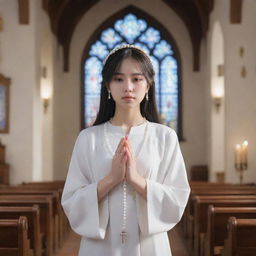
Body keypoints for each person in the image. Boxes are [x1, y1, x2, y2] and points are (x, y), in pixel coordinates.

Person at [61, 44, 190, 256]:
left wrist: (137, 181)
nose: (128, 87)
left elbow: (177, 199)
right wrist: (111, 179)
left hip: (151, 246)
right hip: (99, 247)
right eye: (119, 79)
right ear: (107, 85)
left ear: (148, 85)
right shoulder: (88, 139)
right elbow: (72, 202)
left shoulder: (165, 137)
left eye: (137, 79)